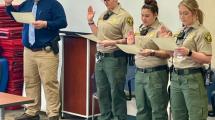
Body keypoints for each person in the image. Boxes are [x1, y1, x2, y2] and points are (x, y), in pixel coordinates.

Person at [4, 0, 67, 120]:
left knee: (49, 83)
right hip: (28, 51)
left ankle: (53, 114)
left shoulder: (54, 4)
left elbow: (63, 22)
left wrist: (46, 24)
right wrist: (8, 6)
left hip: (46, 51)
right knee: (30, 81)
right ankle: (32, 111)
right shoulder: (26, 4)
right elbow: (16, 17)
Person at [163, 0, 212, 120]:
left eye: (185, 13)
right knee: (178, 114)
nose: (182, 17)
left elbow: (207, 58)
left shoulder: (202, 32)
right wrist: (165, 41)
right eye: (180, 13)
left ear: (194, 13)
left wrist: (189, 53)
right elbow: (172, 53)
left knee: (196, 115)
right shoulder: (180, 31)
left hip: (192, 78)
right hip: (176, 77)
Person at [87, 0, 134, 119]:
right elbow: (99, 35)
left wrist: (113, 42)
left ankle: (119, 117)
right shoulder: (103, 14)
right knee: (102, 91)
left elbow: (129, 40)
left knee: (116, 92)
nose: (105, 2)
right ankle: (105, 116)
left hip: (115, 58)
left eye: (108, 0)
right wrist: (91, 22)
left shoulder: (125, 16)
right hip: (101, 57)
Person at [127, 0, 171, 120]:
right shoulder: (142, 28)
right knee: (141, 109)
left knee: (158, 110)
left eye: (147, 16)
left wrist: (152, 52)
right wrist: (130, 44)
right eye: (142, 15)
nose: (143, 19)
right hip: (140, 73)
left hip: (155, 74)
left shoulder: (161, 30)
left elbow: (167, 53)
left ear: (155, 14)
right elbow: (137, 50)